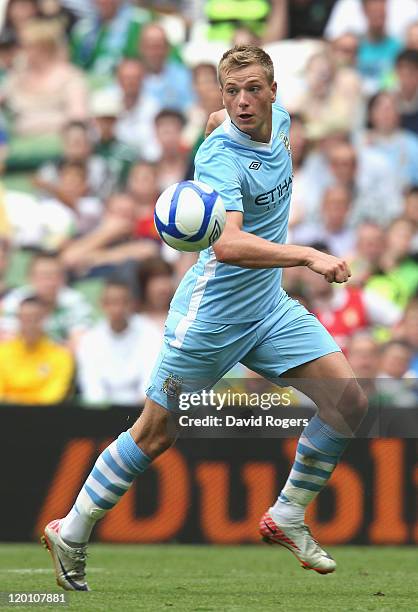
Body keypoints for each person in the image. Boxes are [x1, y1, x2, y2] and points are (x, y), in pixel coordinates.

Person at [42, 45, 367, 591]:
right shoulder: (219, 156)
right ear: (222, 93)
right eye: (230, 93)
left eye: (252, 90)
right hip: (210, 319)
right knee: (154, 434)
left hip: (265, 308)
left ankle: (288, 514)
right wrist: (309, 255)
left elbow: (221, 120)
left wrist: (212, 118)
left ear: (273, 91)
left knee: (349, 402)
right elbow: (232, 246)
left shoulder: (277, 121)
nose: (241, 103)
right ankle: (71, 529)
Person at [76, 280, 161, 405]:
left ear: (132, 304)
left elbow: (150, 384)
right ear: (102, 304)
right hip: (102, 413)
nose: (118, 308)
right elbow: (92, 387)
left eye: (124, 302)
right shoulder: (90, 340)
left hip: (141, 410)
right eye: (112, 303)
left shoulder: (151, 334)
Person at [0, 296, 74, 404]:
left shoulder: (61, 356)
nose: (30, 324)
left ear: (46, 319)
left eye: (36, 318)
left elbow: (52, 396)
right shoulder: (2, 353)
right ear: (18, 319)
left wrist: (17, 400)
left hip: (44, 417)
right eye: (25, 318)